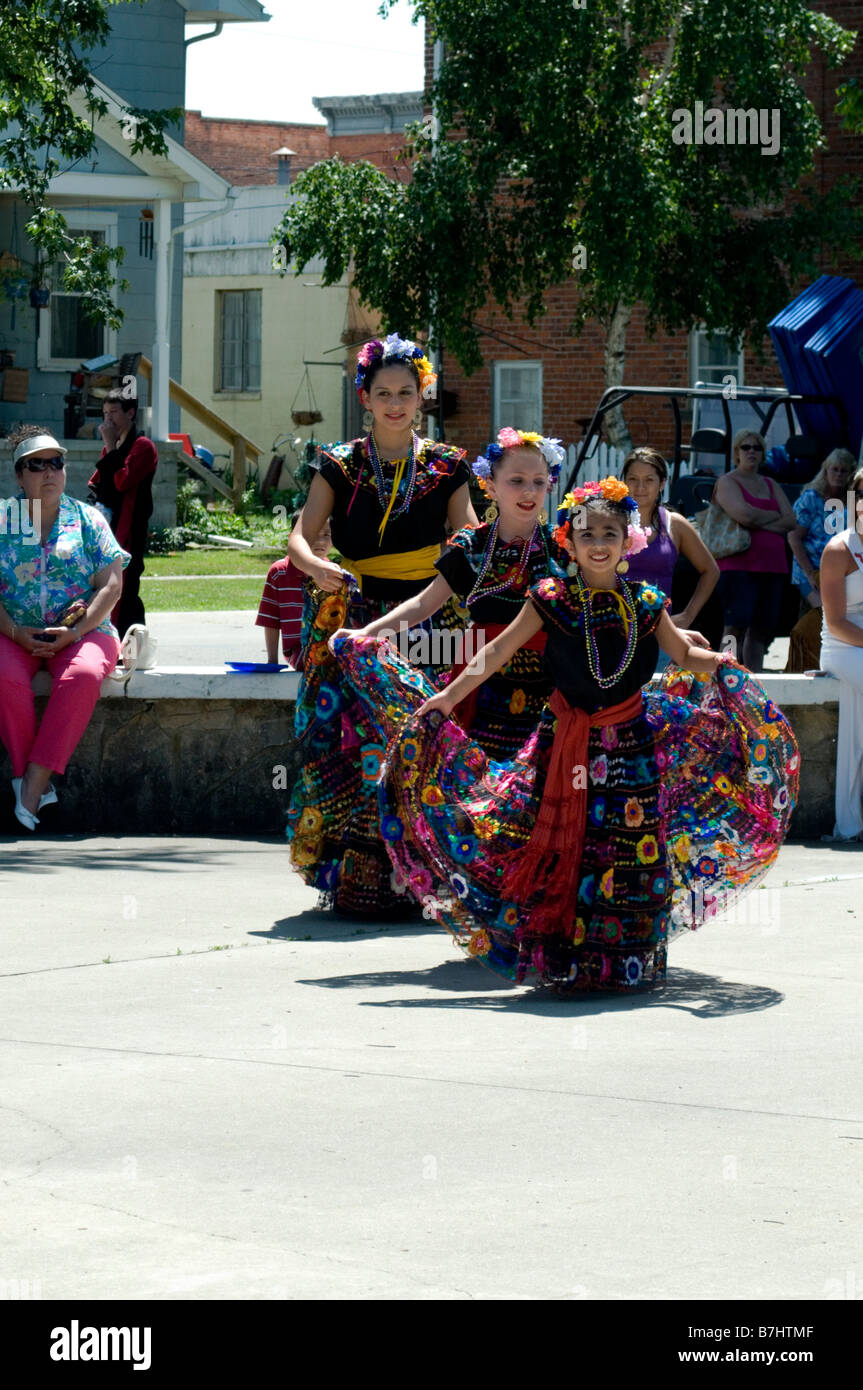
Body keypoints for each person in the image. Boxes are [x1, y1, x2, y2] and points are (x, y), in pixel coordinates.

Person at [328, 478, 799, 991]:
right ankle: (568, 959)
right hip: (563, 748)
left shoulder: (645, 602)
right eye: (587, 534)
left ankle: (621, 962)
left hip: (631, 751)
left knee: (627, 849)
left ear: (628, 542)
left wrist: (725, 666)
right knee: (561, 852)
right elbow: (496, 653)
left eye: (610, 534)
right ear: (568, 545)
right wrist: (445, 698)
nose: (599, 544)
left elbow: (684, 656)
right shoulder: (550, 598)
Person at [285, 333, 476, 915]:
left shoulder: (448, 466)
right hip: (356, 616)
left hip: (427, 616)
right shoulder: (338, 464)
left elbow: (467, 536)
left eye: (407, 392)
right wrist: (318, 566)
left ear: (423, 397)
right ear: (364, 397)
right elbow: (298, 537)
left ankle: (423, 878)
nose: (396, 403)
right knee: (352, 746)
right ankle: (358, 879)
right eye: (383, 392)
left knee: (417, 743)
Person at [330, 429, 569, 759]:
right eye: (517, 480)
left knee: (542, 774)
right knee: (485, 780)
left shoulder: (562, 550)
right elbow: (425, 603)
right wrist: (367, 633)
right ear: (490, 485)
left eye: (539, 481)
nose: (529, 491)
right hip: (479, 683)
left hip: (551, 684)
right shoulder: (472, 547)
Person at [0, 426, 129, 829]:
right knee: (4, 677)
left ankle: (33, 781)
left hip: (83, 633)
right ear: (19, 476)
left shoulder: (88, 519)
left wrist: (74, 633)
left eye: (56, 462)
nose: (49, 472)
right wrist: (16, 633)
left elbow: (112, 584)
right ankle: (31, 783)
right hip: (13, 633)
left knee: (85, 674)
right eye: (36, 465)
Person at [621, 446, 720, 657]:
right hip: (614, 632)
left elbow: (711, 570)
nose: (640, 487)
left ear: (662, 483)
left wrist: (687, 616)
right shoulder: (609, 522)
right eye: (633, 479)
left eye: (649, 480)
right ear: (624, 482)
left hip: (662, 635)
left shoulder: (674, 524)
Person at [713, 430, 796, 672]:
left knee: (761, 630)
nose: (751, 451)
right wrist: (772, 518)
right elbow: (743, 515)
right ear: (736, 453)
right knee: (734, 627)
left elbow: (791, 520)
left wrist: (756, 519)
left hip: (773, 566)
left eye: (757, 448)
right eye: (745, 447)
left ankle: (756, 683)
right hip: (738, 568)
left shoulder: (770, 484)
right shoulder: (727, 482)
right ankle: (724, 677)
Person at [88, 388, 158, 638]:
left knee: (126, 591)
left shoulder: (143, 447)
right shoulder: (114, 445)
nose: (108, 420)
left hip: (130, 530)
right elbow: (101, 482)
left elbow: (122, 482)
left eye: (114, 412)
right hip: (108, 528)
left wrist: (109, 446)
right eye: (105, 413)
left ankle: (133, 646)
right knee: (105, 587)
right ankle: (109, 640)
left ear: (130, 413)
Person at [819, 467, 863, 840]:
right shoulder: (839, 549)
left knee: (857, 726)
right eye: (862, 495)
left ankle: (851, 822)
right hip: (842, 646)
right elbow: (835, 623)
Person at [786, 448, 856, 672]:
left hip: (841, 572)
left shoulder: (853, 500)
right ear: (825, 470)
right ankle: (801, 670)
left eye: (844, 471)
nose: (838, 474)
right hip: (811, 569)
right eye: (834, 469)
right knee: (820, 618)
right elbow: (794, 536)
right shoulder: (811, 498)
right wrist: (809, 574)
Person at [256, 517, 332, 667]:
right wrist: (272, 662)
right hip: (299, 651)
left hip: (329, 647)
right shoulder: (279, 572)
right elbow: (271, 619)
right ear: (294, 539)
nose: (321, 541)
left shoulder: (333, 572)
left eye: (326, 535)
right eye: (314, 534)